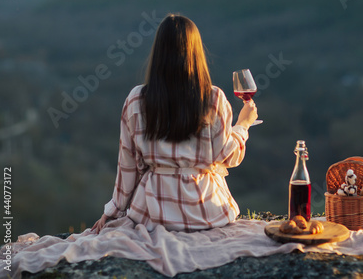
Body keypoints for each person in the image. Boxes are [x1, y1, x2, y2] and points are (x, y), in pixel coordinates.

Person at [92, 14, 258, 233]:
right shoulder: (214, 98)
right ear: (196, 53)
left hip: (153, 215)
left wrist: (112, 211)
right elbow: (228, 156)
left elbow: (128, 165)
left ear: (158, 53)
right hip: (206, 212)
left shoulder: (136, 99)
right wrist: (243, 126)